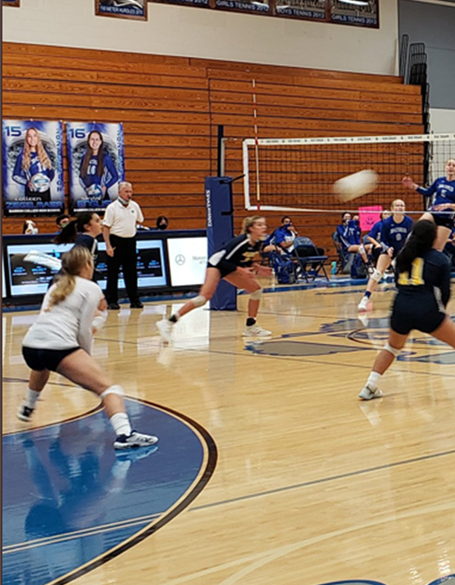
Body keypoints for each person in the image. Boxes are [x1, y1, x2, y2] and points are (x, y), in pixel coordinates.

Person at [357, 216, 455, 400]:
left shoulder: (403, 256)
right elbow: (445, 293)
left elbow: (398, 284)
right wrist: (440, 314)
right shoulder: (439, 259)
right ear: (433, 238)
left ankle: (370, 385)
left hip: (400, 308)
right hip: (426, 309)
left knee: (392, 348)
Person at [17, 247, 158, 449]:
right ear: (87, 265)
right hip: (58, 347)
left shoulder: (56, 286)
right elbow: (83, 330)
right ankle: (125, 434)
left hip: (30, 345)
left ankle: (27, 407)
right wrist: (85, 357)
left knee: (41, 367)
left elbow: (46, 318)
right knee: (110, 388)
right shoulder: (91, 288)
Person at [157, 215, 279, 342]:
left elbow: (243, 259)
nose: (264, 227)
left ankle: (250, 326)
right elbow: (224, 261)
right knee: (202, 299)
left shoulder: (258, 242)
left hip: (231, 266)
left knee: (256, 290)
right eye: (259, 225)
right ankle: (168, 322)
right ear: (251, 228)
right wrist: (241, 270)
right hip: (217, 265)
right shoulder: (241, 241)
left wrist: (257, 267)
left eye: (264, 224)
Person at [358, 199, 414, 313]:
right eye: (397, 206)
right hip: (388, 249)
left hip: (402, 250)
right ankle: (365, 299)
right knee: (378, 273)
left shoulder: (409, 222)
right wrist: (388, 249)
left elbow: (411, 238)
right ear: (392, 209)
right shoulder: (386, 223)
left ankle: (410, 299)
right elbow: (383, 240)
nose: (400, 208)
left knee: (409, 273)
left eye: (402, 206)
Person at [402, 158, 455, 251]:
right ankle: (406, 250)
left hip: (446, 218)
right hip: (433, 213)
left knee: (436, 250)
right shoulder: (439, 181)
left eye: (453, 165)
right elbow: (428, 192)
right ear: (445, 167)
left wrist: (449, 205)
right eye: (449, 164)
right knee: (418, 227)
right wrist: (413, 186)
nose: (451, 167)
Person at [102, 181, 144, 309]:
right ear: (119, 193)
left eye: (130, 191)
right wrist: (108, 246)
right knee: (113, 273)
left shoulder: (134, 206)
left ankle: (134, 299)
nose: (129, 194)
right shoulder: (112, 208)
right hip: (116, 241)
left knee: (131, 272)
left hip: (130, 241)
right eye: (126, 192)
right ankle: (112, 301)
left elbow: (140, 220)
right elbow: (106, 228)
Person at [13, 126, 56, 200]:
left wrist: (47, 181)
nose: (32, 139)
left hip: (45, 191)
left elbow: (51, 171)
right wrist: (27, 182)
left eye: (34, 136)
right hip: (32, 191)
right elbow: (15, 175)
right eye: (29, 136)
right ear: (26, 139)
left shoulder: (46, 153)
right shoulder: (22, 156)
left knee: (48, 210)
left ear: (38, 138)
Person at [78, 130, 120, 203]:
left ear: (100, 142)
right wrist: (86, 188)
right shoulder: (84, 158)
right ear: (88, 141)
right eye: (92, 139)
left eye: (97, 139)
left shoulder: (106, 158)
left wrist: (105, 187)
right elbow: (81, 177)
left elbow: (115, 176)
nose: (94, 142)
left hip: (102, 195)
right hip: (89, 195)